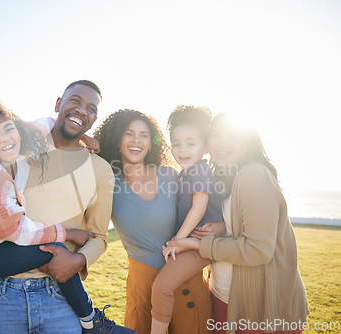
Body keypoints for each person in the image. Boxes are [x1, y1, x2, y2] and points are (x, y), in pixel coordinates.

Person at [0, 81, 133, 333]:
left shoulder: (100, 169)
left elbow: (99, 236)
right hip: (0, 289)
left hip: (59, 295)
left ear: (94, 119)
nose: (81, 110)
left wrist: (78, 260)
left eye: (91, 108)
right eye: (75, 101)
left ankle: (92, 320)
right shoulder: (18, 148)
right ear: (59, 104)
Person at [169, 112, 309, 334]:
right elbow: (235, 221)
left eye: (233, 136)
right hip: (222, 295)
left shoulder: (254, 176)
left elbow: (258, 249)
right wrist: (220, 226)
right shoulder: (222, 174)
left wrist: (194, 244)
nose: (223, 143)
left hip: (259, 308)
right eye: (217, 135)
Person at [95, 109, 218, 334]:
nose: (136, 140)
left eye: (143, 135)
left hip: (186, 283)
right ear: (117, 140)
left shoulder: (171, 176)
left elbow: (207, 207)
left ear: (151, 143)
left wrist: (220, 226)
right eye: (128, 133)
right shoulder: (108, 185)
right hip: (143, 289)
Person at [150, 106, 223, 333]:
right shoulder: (186, 172)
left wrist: (177, 241)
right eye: (176, 143)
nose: (182, 150)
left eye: (190, 144)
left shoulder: (201, 170)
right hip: (192, 243)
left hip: (198, 246)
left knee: (161, 287)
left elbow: (198, 208)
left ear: (205, 147)